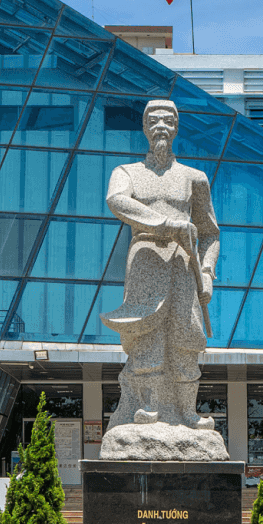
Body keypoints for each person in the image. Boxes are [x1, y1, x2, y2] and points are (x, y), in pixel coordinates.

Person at [99, 99, 221, 435]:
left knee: (187, 336)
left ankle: (187, 411)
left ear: (177, 127)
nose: (161, 126)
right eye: (153, 120)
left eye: (168, 120)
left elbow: (210, 234)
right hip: (145, 262)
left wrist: (208, 274)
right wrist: (165, 223)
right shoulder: (127, 173)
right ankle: (148, 404)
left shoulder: (193, 178)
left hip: (184, 266)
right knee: (146, 333)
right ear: (144, 128)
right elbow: (117, 200)